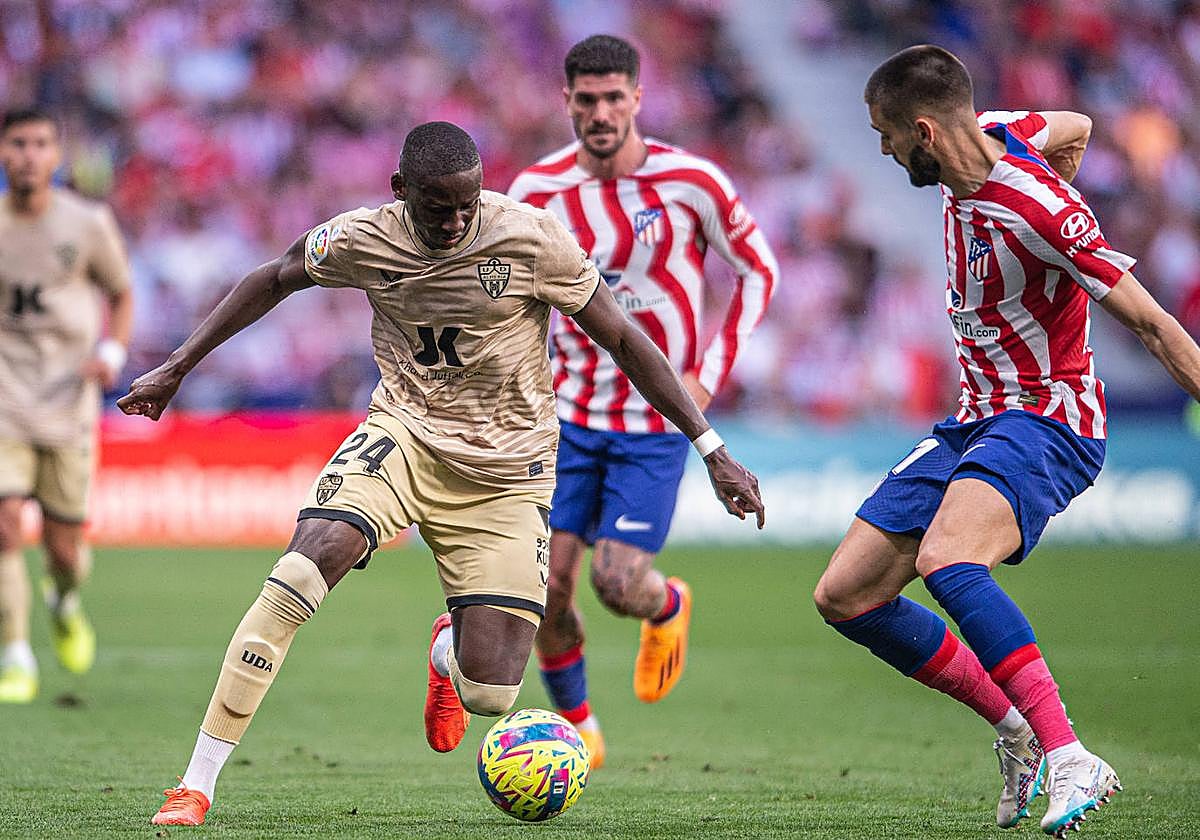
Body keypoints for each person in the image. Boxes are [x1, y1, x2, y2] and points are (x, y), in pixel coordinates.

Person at [119, 121, 765, 827]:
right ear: (401, 190)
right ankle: (196, 784)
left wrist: (710, 447)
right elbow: (274, 277)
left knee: (492, 694)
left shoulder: (530, 239)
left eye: (467, 205)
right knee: (305, 567)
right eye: (437, 208)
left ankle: (446, 650)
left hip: (508, 472)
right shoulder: (363, 237)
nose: (456, 222)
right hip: (404, 436)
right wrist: (177, 367)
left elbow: (620, 335)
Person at [813, 45, 1200, 838]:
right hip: (976, 417)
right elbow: (1077, 125)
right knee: (846, 595)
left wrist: (1063, 222)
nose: (883, 150)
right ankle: (1016, 727)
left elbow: (1156, 327)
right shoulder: (995, 128)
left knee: (949, 560)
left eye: (887, 135)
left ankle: (1070, 755)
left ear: (924, 133)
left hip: (1050, 415)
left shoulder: (1040, 212)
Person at [507, 35, 778, 767]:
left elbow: (759, 270)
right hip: (563, 419)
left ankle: (668, 604)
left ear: (637, 97)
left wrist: (709, 374)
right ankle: (580, 731)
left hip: (653, 424)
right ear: (566, 100)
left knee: (617, 584)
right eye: (586, 100)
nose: (600, 113)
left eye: (613, 98)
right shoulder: (535, 192)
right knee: (544, 589)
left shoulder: (691, 181)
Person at [0, 108, 133, 704]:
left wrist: (111, 351)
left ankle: (64, 600)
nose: (28, 155)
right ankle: (15, 656)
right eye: (17, 143)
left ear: (56, 156)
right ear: (3, 153)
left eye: (39, 144)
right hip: (5, 399)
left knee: (64, 549)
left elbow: (121, 293)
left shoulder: (86, 224)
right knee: (5, 526)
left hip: (66, 402)